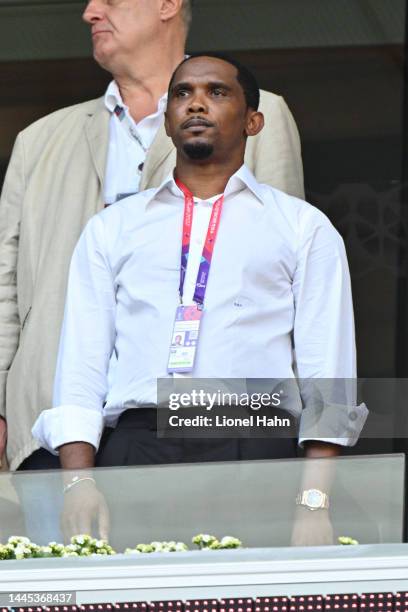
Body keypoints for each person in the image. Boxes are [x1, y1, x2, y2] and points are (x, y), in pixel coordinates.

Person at [33, 54, 368, 544]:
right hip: (137, 446)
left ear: (253, 121)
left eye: (217, 92)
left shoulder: (303, 228)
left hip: (255, 443)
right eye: (182, 94)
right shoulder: (112, 229)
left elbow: (329, 378)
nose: (196, 105)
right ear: (167, 122)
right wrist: (79, 483)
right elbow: (80, 368)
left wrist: (313, 503)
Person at [0, 0, 305, 473]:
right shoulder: (38, 140)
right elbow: (5, 290)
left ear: (167, 4)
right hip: (52, 422)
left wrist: (304, 457)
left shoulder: (260, 115)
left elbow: (287, 281)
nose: (90, 12)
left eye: (110, 0)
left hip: (210, 424)